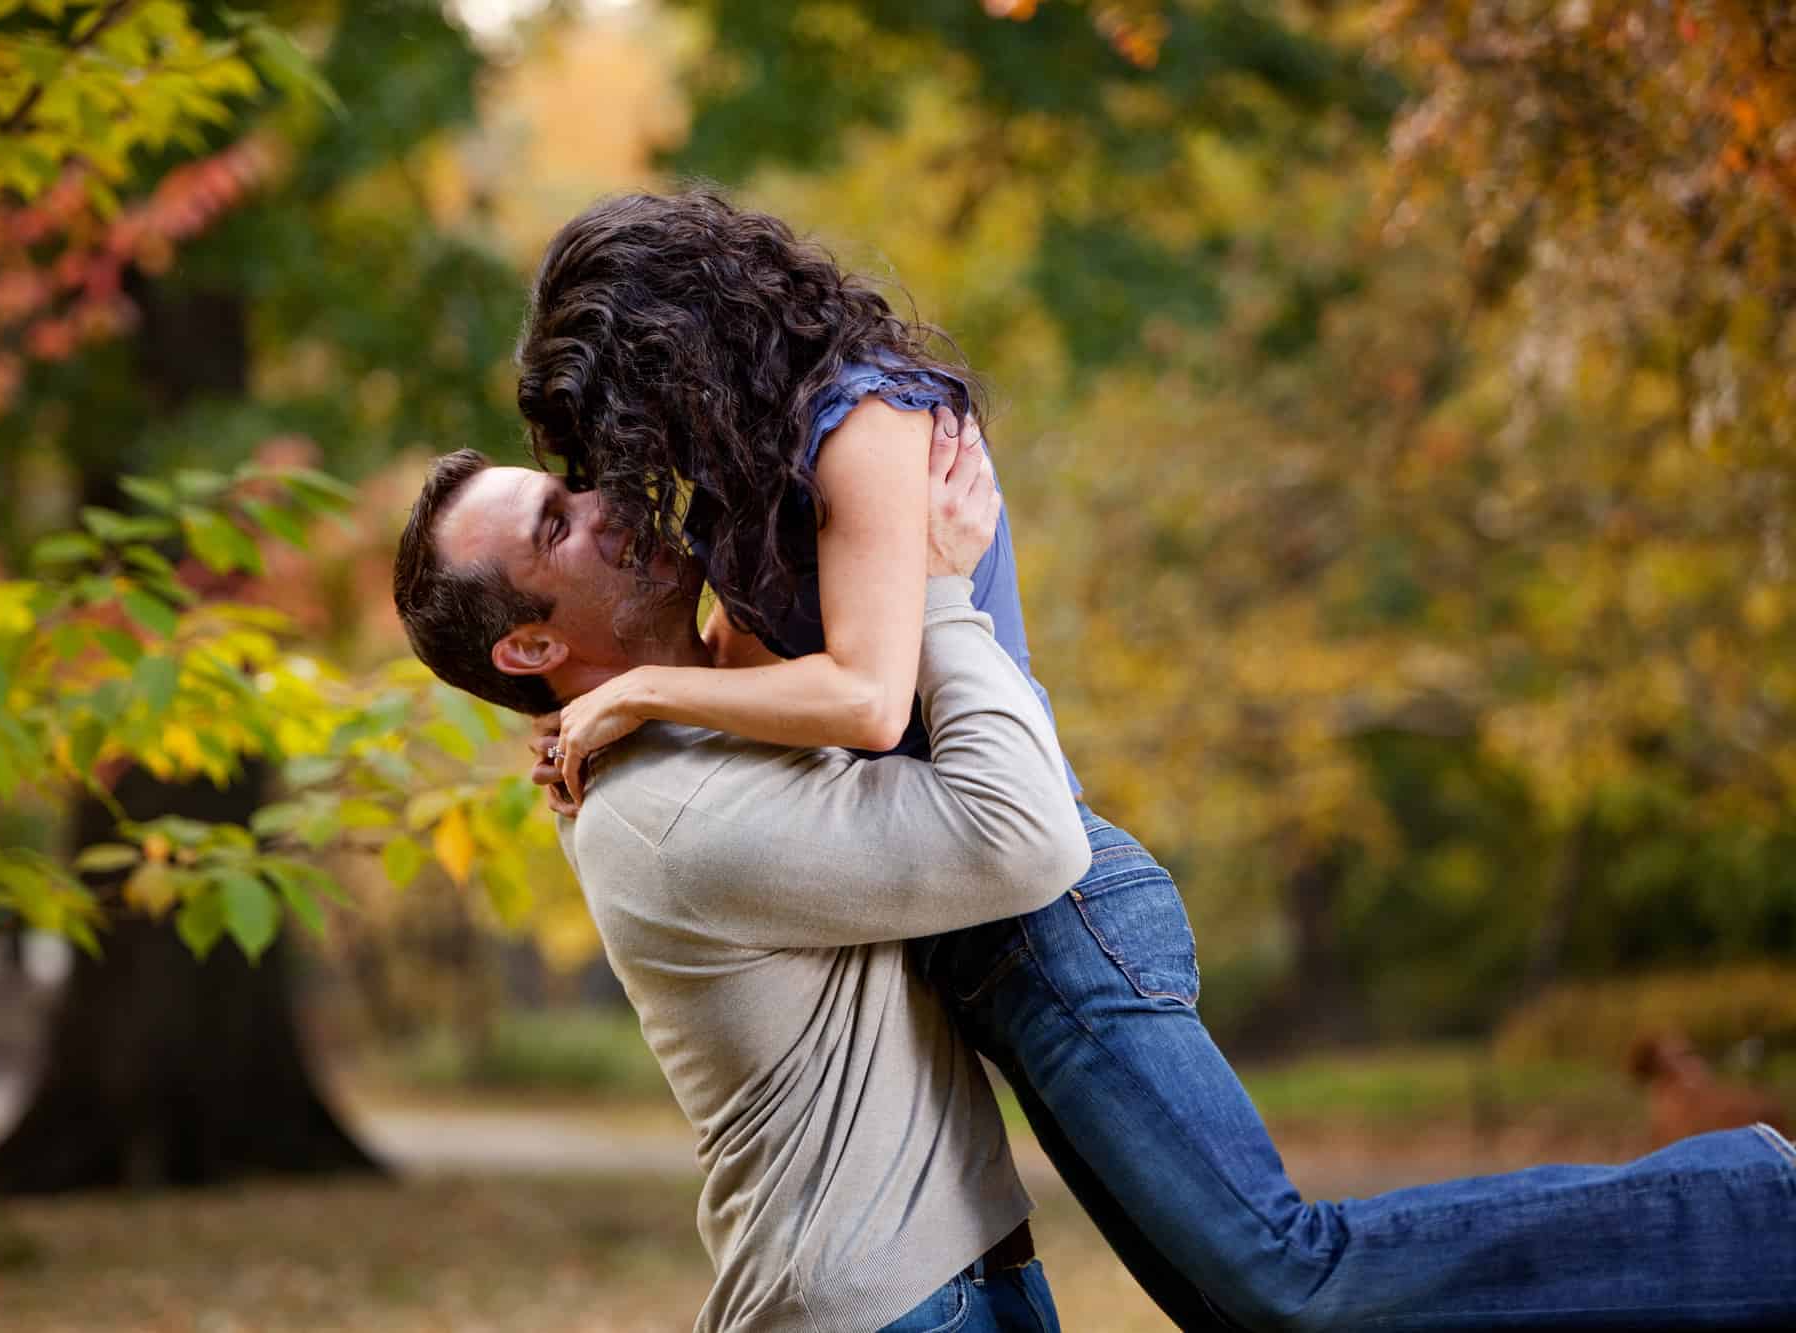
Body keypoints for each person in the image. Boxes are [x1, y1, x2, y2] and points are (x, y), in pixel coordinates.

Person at [494, 189, 1795, 1332]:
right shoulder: (731, 490)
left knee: (1289, 1282)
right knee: (1253, 1303)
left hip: (1057, 912)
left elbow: (865, 697)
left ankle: (1755, 1210)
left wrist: (643, 688)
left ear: (669, 355)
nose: (625, 478)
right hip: (974, 930)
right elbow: (753, 690)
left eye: (616, 432)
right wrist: (611, 720)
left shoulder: (866, 421)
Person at [394, 424, 1085, 1332]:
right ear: (528, 651)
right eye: (557, 526)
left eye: (577, 486)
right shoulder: (674, 810)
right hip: (891, 1305)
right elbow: (1025, 833)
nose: (613, 503)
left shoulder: (691, 724)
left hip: (918, 1287)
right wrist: (942, 589)